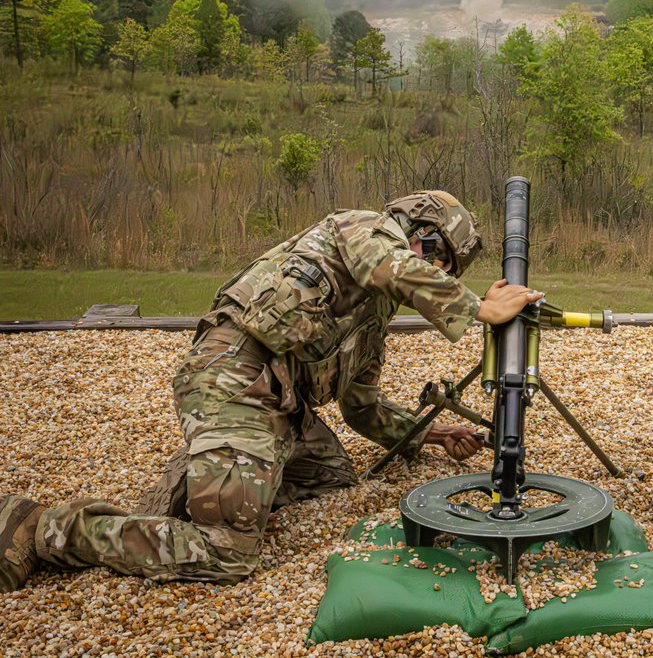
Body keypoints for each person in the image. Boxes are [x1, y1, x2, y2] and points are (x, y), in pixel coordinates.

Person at [1, 190, 542, 590]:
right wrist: (476, 307)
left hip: (280, 407)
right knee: (228, 553)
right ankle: (46, 527)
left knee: (332, 475)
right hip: (233, 379)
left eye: (447, 265)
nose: (438, 269)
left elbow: (362, 409)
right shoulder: (361, 228)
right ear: (413, 228)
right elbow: (390, 262)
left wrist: (431, 434)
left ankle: (215, 469)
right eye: (438, 255)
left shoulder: (373, 318)